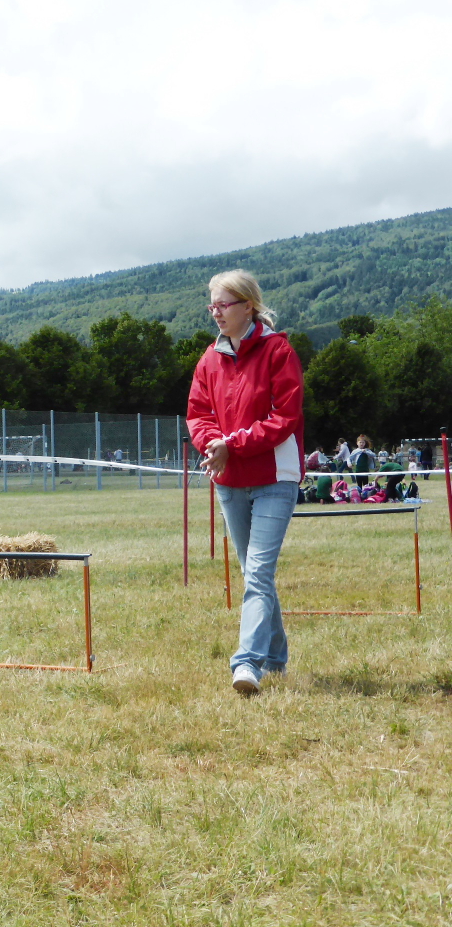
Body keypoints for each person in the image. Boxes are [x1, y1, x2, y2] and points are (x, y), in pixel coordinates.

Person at [188, 269, 304, 696]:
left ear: (248, 306)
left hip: (275, 477)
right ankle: (276, 659)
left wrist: (230, 444)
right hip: (229, 478)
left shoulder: (278, 351)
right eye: (212, 305)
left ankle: (247, 664)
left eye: (223, 304)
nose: (216, 312)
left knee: (257, 572)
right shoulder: (209, 359)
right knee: (254, 573)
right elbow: (198, 414)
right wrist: (212, 444)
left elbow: (284, 417)